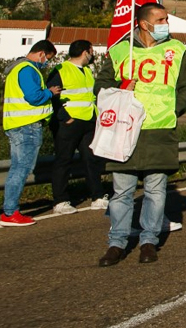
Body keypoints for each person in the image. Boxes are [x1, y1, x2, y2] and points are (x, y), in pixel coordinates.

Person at [96, 3, 186, 265]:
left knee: (155, 190)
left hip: (160, 129)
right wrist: (119, 89)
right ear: (144, 23)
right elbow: (101, 85)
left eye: (166, 19)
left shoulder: (176, 50)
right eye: (161, 19)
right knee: (121, 192)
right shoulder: (120, 50)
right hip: (125, 131)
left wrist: (174, 109)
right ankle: (117, 243)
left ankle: (149, 240)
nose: (166, 24)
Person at [1, 40, 61, 227]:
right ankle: (10, 212)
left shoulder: (17, 68)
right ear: (42, 53)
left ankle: (9, 211)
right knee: (22, 169)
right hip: (26, 126)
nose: (47, 63)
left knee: (18, 169)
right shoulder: (27, 70)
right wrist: (50, 93)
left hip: (18, 124)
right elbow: (34, 97)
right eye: (48, 58)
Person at [48, 40, 108, 214]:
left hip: (88, 120)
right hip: (68, 123)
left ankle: (97, 196)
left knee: (91, 159)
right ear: (84, 52)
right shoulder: (61, 70)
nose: (92, 54)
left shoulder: (88, 71)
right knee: (63, 160)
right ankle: (60, 200)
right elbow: (52, 95)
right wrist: (64, 117)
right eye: (91, 50)